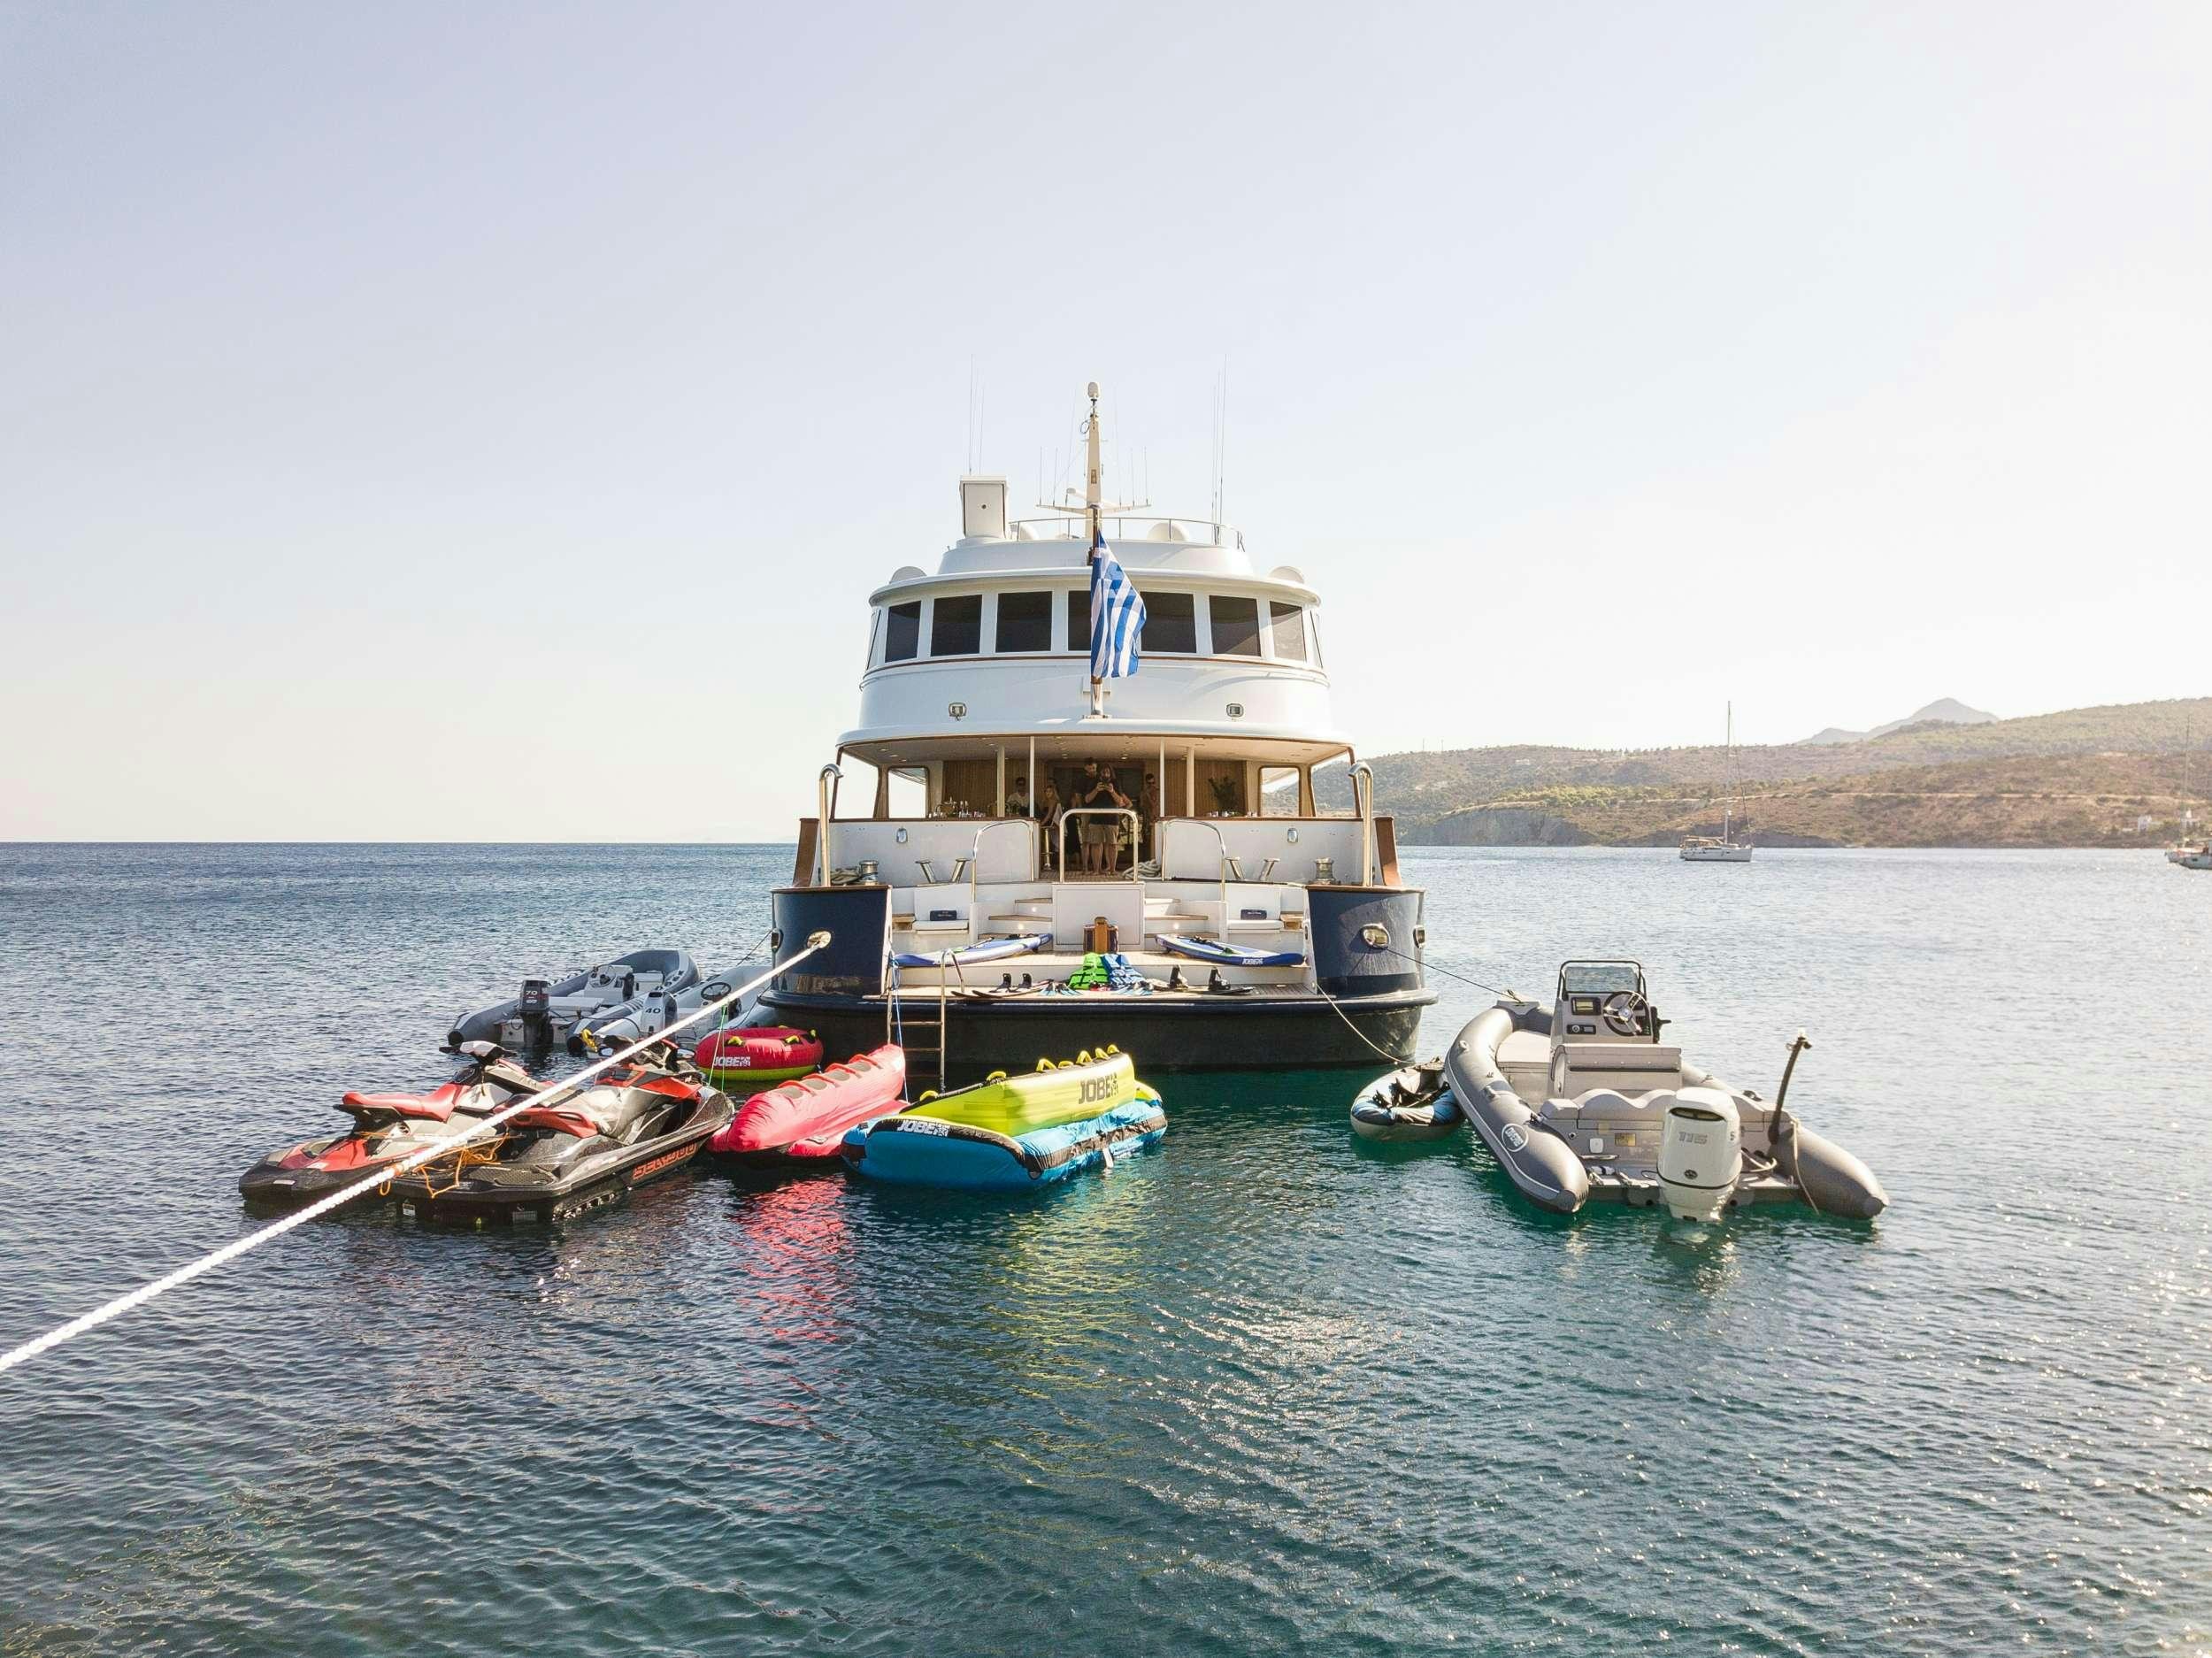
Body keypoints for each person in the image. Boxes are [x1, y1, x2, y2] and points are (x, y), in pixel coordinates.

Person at [1041, 782, 1064, 872]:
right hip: (1046, 822)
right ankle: (1045, 863)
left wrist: (1041, 824)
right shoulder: (1045, 801)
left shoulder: (1053, 801)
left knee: (1056, 845)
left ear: (1053, 792)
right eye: (1046, 791)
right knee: (1045, 843)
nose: (1048, 793)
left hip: (1051, 823)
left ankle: (1056, 865)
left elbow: (1049, 815)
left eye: (1050, 791)